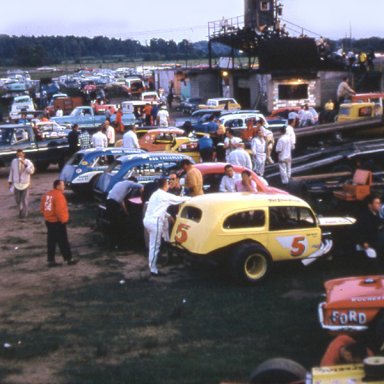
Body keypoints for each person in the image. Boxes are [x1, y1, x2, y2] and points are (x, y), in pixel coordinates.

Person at [143, 178, 190, 275]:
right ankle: (153, 270)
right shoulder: (165, 195)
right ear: (165, 185)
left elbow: (159, 208)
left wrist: (168, 216)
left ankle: (167, 241)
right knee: (155, 246)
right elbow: (179, 199)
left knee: (154, 244)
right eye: (168, 184)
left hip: (147, 220)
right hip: (154, 222)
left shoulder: (155, 194)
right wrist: (190, 198)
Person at [40, 179, 78, 267]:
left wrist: (48, 216)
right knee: (63, 241)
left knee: (51, 241)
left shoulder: (47, 194)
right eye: (62, 185)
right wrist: (64, 220)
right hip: (58, 222)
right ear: (57, 186)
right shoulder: (59, 196)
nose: (64, 187)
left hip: (49, 221)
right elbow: (60, 211)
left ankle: (51, 260)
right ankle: (69, 259)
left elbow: (42, 208)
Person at [106, 180, 143, 250]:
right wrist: (142, 193)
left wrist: (127, 213)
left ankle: (113, 243)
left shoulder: (119, 184)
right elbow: (140, 186)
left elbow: (121, 202)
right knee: (115, 224)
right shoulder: (129, 183)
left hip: (109, 202)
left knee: (113, 224)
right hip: (113, 204)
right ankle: (115, 245)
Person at [354, 194, 383, 261]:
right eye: (377, 203)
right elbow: (357, 231)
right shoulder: (364, 217)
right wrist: (363, 242)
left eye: (379, 203)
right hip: (368, 245)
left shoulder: (376, 215)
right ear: (370, 205)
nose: (379, 205)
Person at [8, 149, 35, 218]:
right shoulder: (14, 162)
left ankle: (24, 214)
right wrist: (10, 181)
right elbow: (11, 171)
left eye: (20, 154)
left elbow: (31, 172)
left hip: (25, 183)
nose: (19, 156)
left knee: (24, 199)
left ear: (23, 154)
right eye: (18, 155)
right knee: (17, 199)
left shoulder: (28, 162)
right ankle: (20, 209)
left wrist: (25, 164)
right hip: (16, 183)